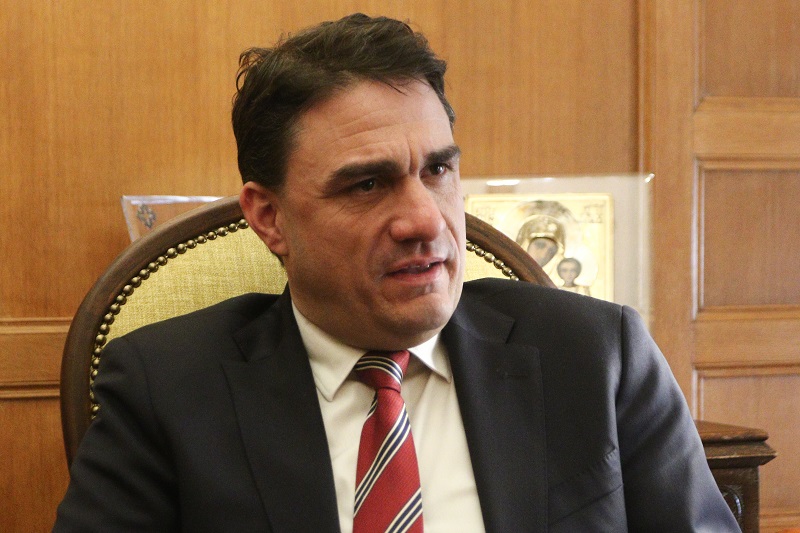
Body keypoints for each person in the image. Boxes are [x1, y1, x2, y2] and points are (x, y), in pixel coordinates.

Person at [54, 13, 740, 532]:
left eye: (437, 170)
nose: (424, 220)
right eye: (366, 184)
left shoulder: (595, 355)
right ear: (269, 218)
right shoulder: (169, 388)